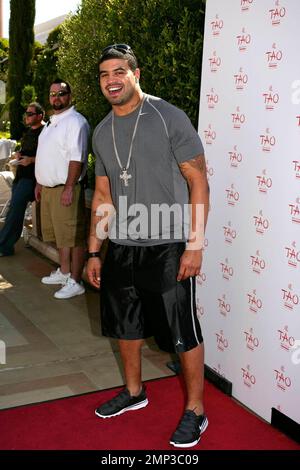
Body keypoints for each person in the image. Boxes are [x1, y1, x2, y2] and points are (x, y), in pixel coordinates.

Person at [87, 44, 209, 448]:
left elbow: (198, 181)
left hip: (168, 242)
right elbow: (103, 195)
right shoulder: (102, 131)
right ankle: (135, 392)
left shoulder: (167, 116)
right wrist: (94, 250)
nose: (112, 80)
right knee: (126, 325)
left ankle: (196, 411)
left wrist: (194, 246)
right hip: (122, 243)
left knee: (181, 330)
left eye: (119, 71)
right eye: (104, 75)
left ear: (136, 74)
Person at [35, 79, 90, 299]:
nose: (56, 97)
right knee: (60, 237)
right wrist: (40, 182)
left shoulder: (75, 122)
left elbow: (76, 159)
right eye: (53, 94)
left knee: (73, 237)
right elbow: (46, 156)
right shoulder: (51, 122)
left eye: (61, 93)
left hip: (64, 188)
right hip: (49, 189)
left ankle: (75, 281)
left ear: (70, 96)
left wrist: (69, 187)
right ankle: (64, 271)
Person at [0, 103, 45, 257]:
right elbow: (27, 151)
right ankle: (6, 246)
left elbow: (50, 156)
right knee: (16, 213)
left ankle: (3, 245)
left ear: (40, 116)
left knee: (13, 212)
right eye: (26, 113)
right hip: (21, 176)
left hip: (32, 179)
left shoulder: (45, 132)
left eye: (30, 113)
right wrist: (18, 155)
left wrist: (31, 160)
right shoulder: (29, 132)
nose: (27, 116)